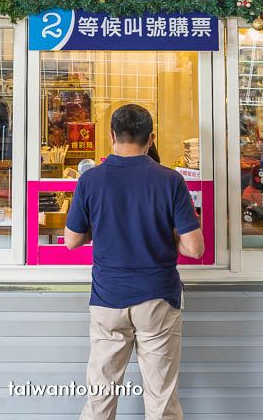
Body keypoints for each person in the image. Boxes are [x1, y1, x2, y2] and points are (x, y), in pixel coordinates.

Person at [64, 104, 203, 420]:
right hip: (157, 300)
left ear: (111, 135)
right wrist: (163, 233)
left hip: (107, 299)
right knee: (161, 402)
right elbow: (194, 248)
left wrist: (98, 225)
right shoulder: (171, 180)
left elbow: (71, 240)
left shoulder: (91, 180)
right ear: (151, 138)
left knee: (100, 398)